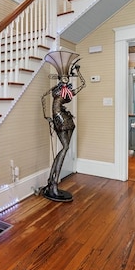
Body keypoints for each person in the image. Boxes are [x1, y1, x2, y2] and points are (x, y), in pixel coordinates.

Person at [35, 63, 86, 202]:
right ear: (59, 78)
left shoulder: (68, 90)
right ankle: (54, 183)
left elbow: (83, 84)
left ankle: (52, 180)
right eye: (63, 77)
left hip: (66, 116)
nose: (65, 79)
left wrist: (78, 71)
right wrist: (46, 116)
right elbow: (42, 97)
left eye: (67, 77)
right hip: (58, 117)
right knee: (65, 148)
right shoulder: (56, 89)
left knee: (65, 148)